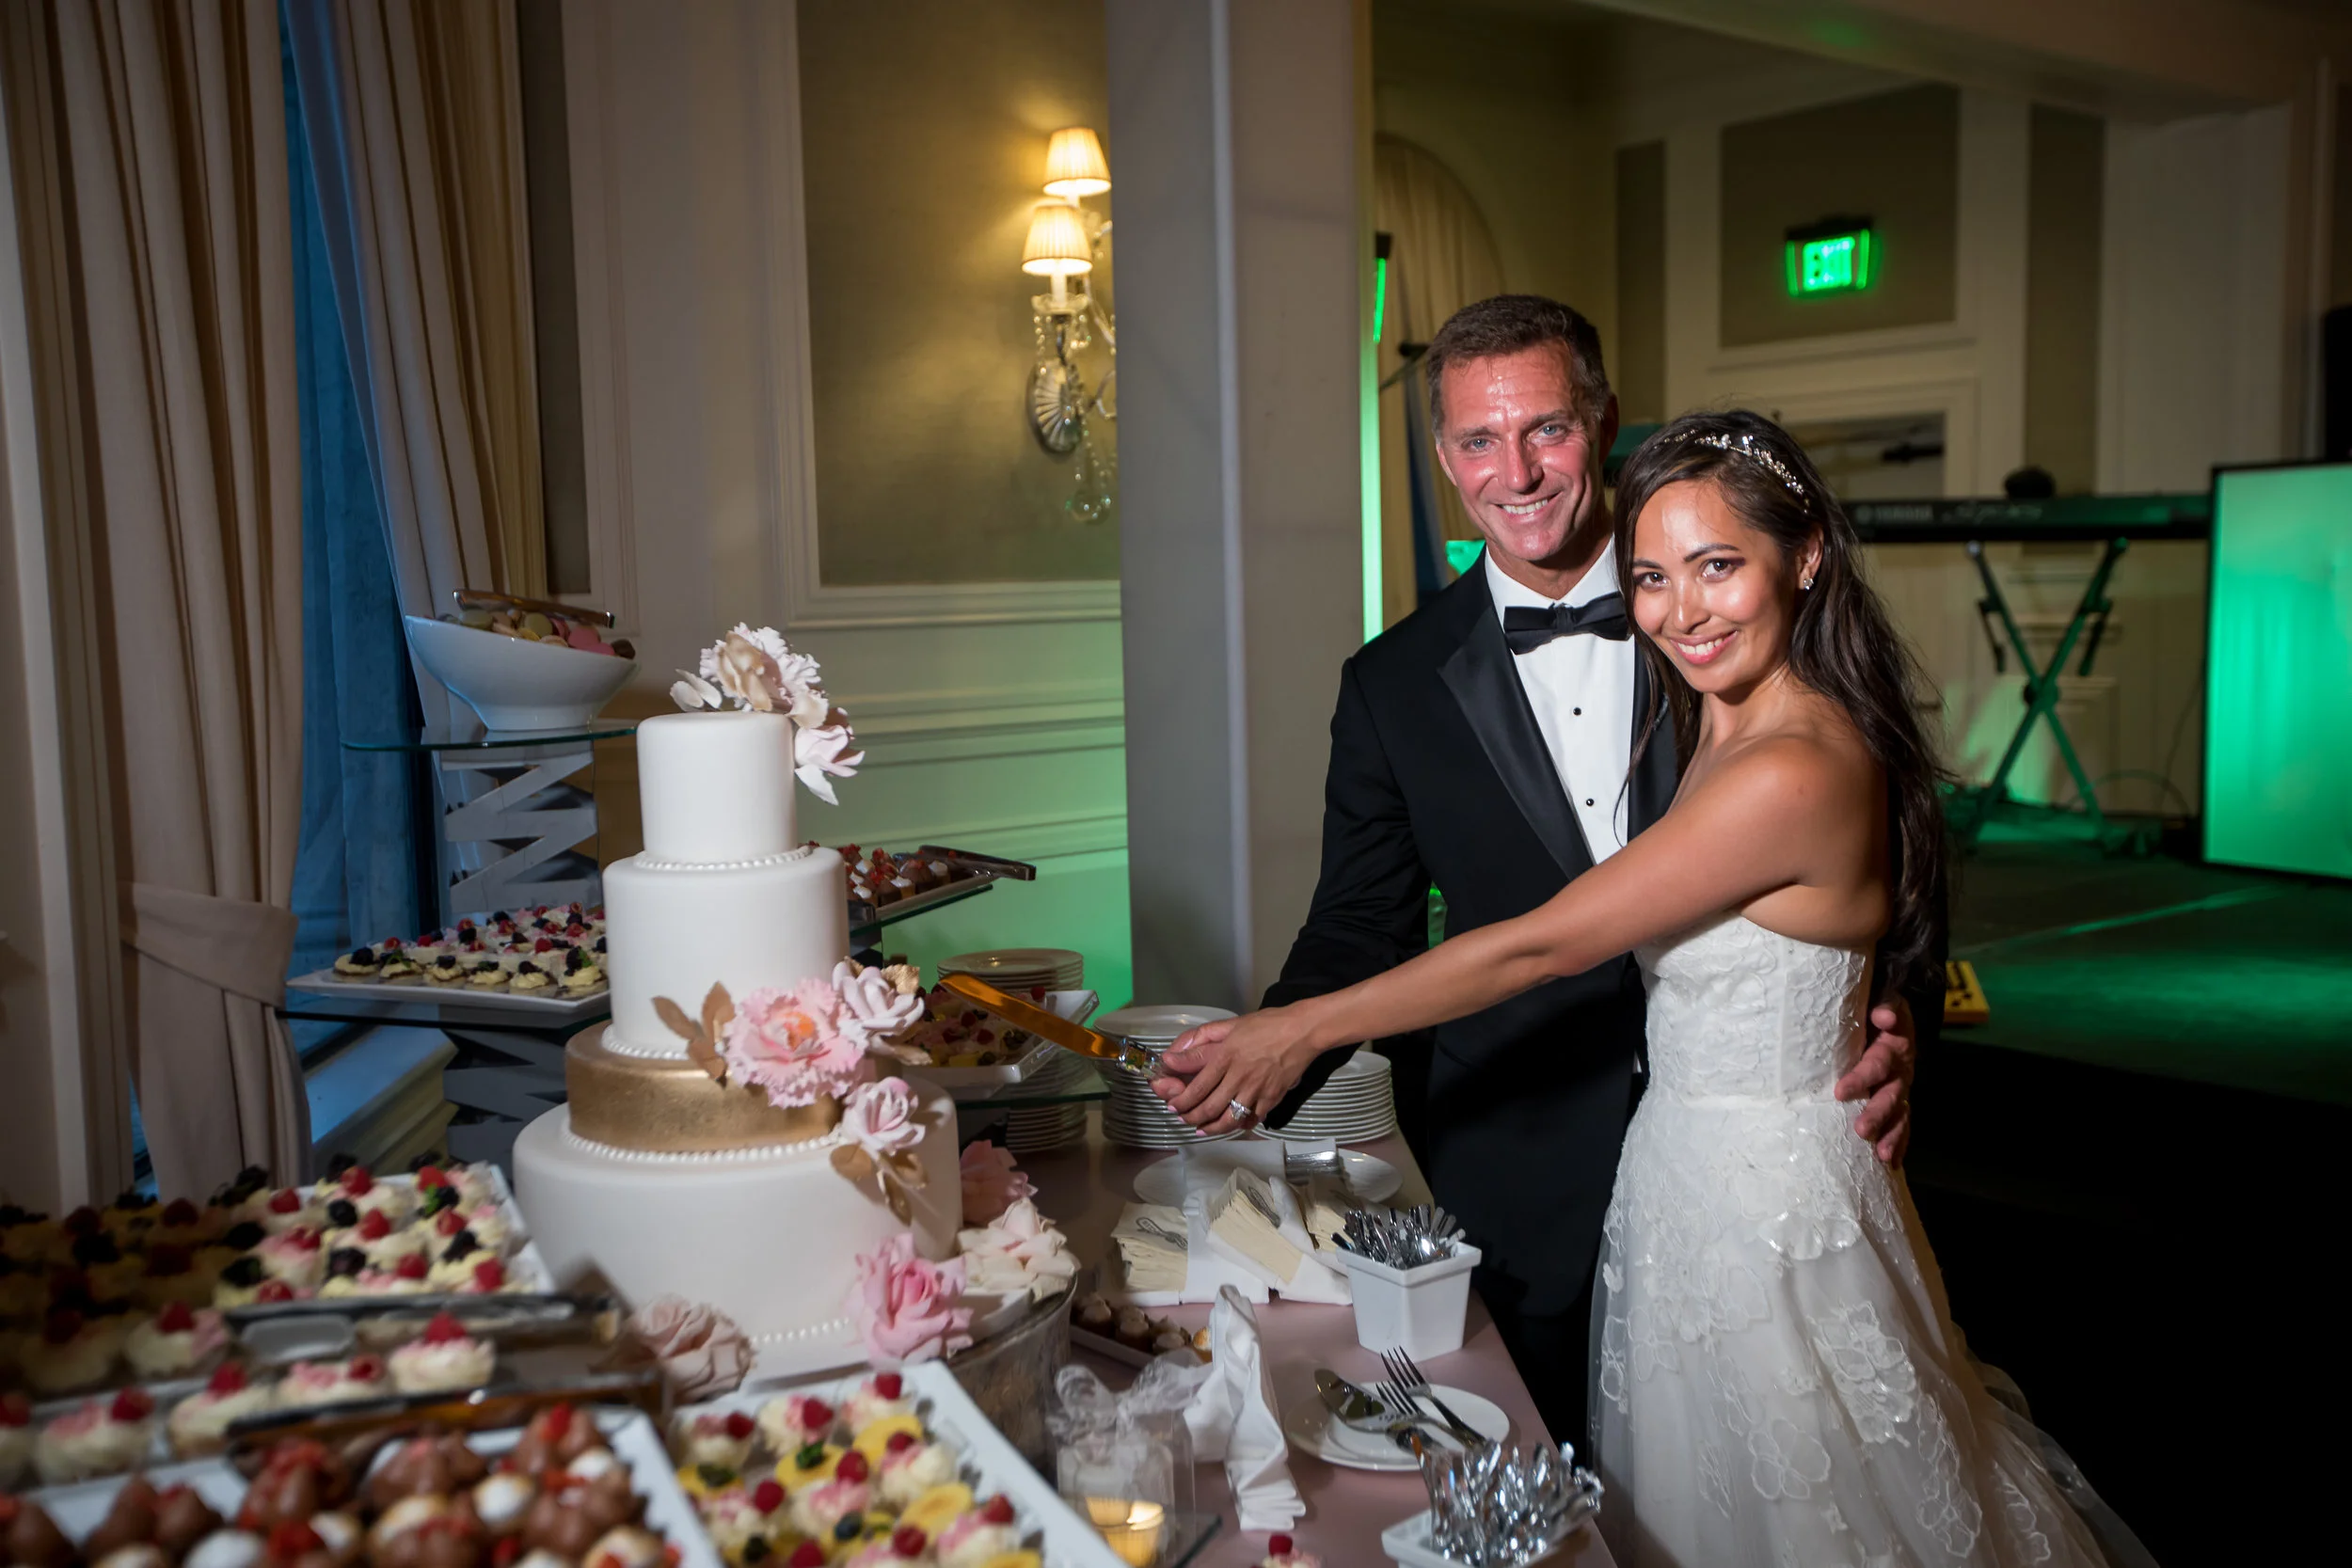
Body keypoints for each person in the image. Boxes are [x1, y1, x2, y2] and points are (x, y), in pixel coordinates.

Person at [1158, 406, 2119, 1565]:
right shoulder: (1705, 701)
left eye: (1718, 566)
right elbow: (1367, 913)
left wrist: (1296, 1030)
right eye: (1654, 576)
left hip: (1761, 1214)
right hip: (1640, 1189)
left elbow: (1547, 941)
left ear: (1804, 552)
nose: (1679, 610)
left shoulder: (1790, 761)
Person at [1152, 295, 1926, 1449]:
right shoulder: (1392, 684)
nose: (1514, 472)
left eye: (1548, 430)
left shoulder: (1714, 626)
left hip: (1753, 1170)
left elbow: (1881, 860)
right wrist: (1259, 1067)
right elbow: (1357, 924)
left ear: (1605, 422)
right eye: (1477, 439)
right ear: (1442, 456)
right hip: (1515, 1156)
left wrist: (1881, 1015)